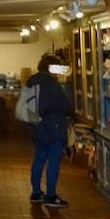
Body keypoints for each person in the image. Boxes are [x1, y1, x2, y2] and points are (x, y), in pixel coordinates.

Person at [27, 52, 73, 208]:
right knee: (54, 160)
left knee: (39, 158)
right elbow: (65, 105)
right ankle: (50, 195)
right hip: (54, 126)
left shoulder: (31, 81)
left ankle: (36, 192)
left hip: (37, 125)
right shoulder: (52, 84)